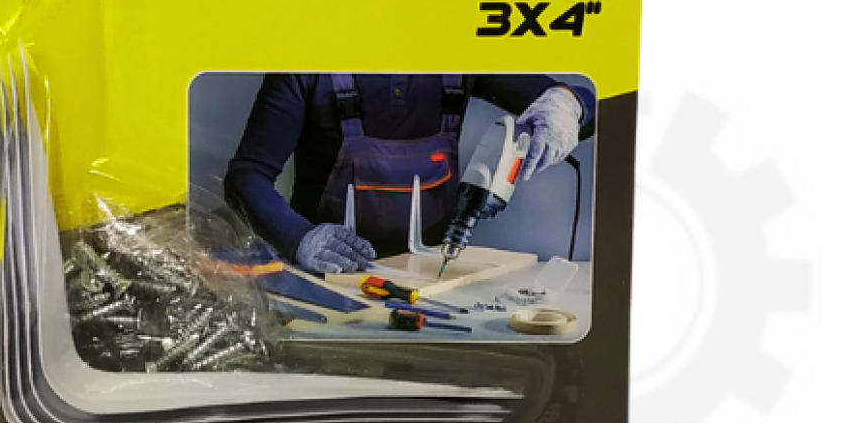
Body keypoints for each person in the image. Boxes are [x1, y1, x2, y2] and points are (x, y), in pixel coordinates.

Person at [224, 73, 594, 273]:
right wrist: (299, 239)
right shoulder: (307, 66)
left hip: (433, 276)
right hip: (326, 279)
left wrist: (569, 106)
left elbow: (584, 105)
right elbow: (247, 175)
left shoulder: (460, 55)